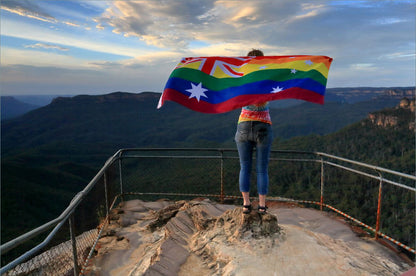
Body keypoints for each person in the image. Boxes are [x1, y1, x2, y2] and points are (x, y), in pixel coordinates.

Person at [235, 49, 273, 214]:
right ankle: (262, 206)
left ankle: (246, 204)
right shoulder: (268, 79)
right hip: (263, 125)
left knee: (245, 167)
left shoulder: (242, 78)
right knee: (262, 169)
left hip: (243, 125)